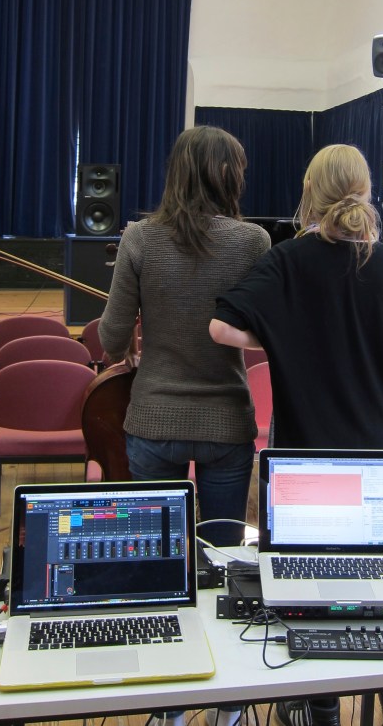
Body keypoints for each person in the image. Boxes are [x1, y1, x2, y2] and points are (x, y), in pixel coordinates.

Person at [210, 143, 383, 726]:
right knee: (378, 583)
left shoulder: (289, 260)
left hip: (307, 461)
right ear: (363, 190)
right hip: (379, 455)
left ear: (310, 194)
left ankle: (321, 705)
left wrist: (283, 339)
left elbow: (220, 325)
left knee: (313, 589)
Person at [98, 125, 271, 551]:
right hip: (227, 421)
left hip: (154, 418)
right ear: (229, 175)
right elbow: (269, 332)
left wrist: (131, 346)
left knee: (158, 558)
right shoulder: (254, 242)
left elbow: (111, 337)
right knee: (222, 556)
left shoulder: (139, 237)